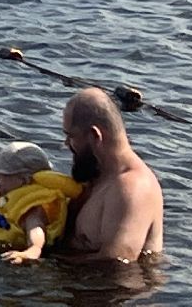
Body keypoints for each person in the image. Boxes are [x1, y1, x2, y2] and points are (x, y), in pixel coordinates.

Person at [60, 88, 164, 263]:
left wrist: (46, 264)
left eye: (71, 136)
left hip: (108, 288)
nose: (66, 144)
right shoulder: (96, 175)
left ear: (95, 136)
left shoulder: (132, 188)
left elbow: (116, 263)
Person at [0, 141, 83, 265]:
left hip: (14, 253)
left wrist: (33, 250)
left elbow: (36, 228)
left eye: (2, 177)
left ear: (24, 179)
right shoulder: (13, 199)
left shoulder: (33, 207)